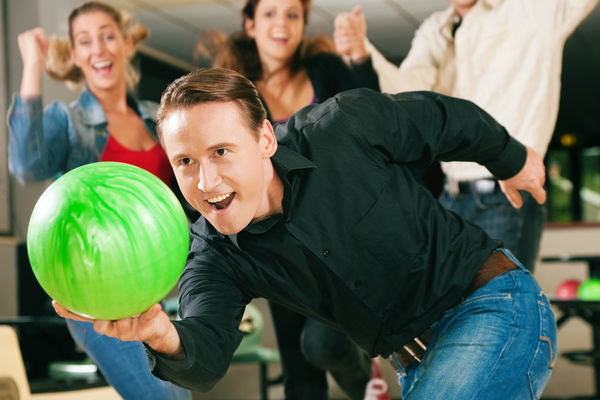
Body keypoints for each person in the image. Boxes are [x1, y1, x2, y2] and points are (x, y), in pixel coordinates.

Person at [54, 67, 556, 400]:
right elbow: (206, 355)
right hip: (416, 361)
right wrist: (159, 333)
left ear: (265, 138)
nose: (205, 183)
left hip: (492, 305)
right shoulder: (212, 253)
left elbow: (444, 120)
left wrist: (511, 161)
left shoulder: (343, 127)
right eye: (185, 162)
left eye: (222, 152)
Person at [195, 1, 387, 399]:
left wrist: (359, 58)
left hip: (338, 231)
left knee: (324, 343)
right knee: (298, 369)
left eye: (292, 14)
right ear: (250, 24)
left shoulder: (327, 71)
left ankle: (369, 386)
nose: (281, 23)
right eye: (269, 13)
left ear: (302, 25)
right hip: (273, 238)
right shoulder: (231, 93)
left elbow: (372, 118)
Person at [7, 2, 192, 399]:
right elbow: (25, 163)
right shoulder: (68, 122)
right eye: (84, 41)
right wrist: (31, 67)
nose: (98, 49)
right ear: (74, 55)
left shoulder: (155, 117)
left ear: (126, 44)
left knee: (179, 396)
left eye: (108, 36)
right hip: (100, 295)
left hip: (160, 286)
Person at [333, 0, 599, 272]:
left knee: (500, 303)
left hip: (503, 195)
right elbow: (407, 95)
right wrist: (362, 51)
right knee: (442, 305)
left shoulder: (529, 9)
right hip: (451, 195)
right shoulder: (436, 29)